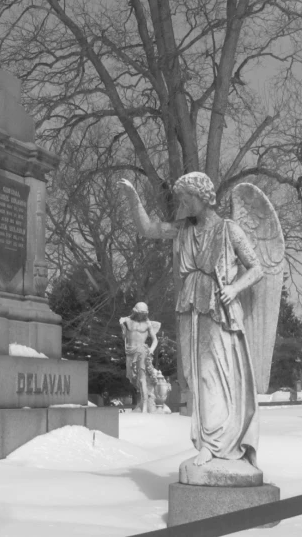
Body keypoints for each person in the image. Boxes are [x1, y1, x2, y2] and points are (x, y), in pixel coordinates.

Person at [119, 173, 264, 467]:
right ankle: (209, 441)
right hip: (190, 307)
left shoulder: (229, 229)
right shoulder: (182, 229)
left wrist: (235, 288)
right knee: (197, 375)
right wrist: (134, 199)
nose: (183, 205)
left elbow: (257, 268)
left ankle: (219, 443)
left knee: (216, 374)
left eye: (187, 199)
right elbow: (148, 228)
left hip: (218, 309)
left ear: (203, 197)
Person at [119, 302, 159, 413]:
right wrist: (122, 327)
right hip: (130, 352)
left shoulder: (147, 324)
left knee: (142, 378)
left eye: (144, 314)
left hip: (142, 350)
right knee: (131, 376)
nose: (142, 316)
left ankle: (145, 405)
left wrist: (151, 349)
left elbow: (155, 340)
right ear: (135, 312)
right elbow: (125, 337)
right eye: (140, 313)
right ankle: (143, 399)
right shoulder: (126, 321)